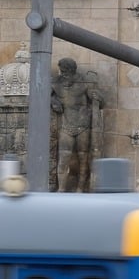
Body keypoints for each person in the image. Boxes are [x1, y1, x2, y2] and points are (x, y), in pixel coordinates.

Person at [50, 57, 101, 193]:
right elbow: (42, 96)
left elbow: (99, 102)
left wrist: (98, 97)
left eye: (66, 71)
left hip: (83, 125)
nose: (63, 74)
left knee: (83, 157)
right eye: (62, 71)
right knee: (63, 157)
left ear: (73, 70)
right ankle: (61, 188)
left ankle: (80, 188)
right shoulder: (56, 83)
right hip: (66, 125)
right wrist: (53, 100)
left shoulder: (84, 83)